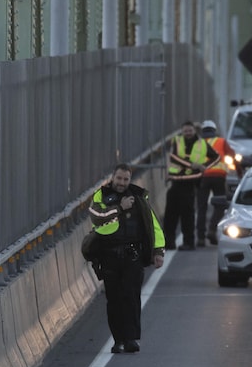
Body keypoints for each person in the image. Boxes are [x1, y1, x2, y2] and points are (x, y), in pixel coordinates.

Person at [89, 163, 165, 354]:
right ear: (112, 178)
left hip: (132, 256)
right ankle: (118, 340)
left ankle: (131, 339)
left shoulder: (139, 196)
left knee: (131, 297)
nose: (122, 183)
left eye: (125, 179)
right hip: (109, 256)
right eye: (119, 179)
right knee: (114, 300)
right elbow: (97, 216)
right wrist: (119, 208)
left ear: (130, 179)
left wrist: (158, 251)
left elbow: (152, 224)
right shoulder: (102, 195)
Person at [162, 120, 219, 250]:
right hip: (176, 182)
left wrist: (204, 167)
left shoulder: (202, 144)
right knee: (170, 215)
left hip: (190, 184)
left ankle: (189, 242)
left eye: (190, 130)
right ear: (182, 132)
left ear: (194, 131)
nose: (188, 133)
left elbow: (216, 157)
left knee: (187, 215)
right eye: (185, 131)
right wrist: (193, 165)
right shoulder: (177, 141)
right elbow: (174, 157)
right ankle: (169, 242)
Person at [196, 120, 233, 246]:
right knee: (220, 205)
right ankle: (212, 229)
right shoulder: (221, 141)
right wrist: (238, 172)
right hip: (219, 177)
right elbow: (232, 155)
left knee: (201, 207)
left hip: (202, 178)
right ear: (214, 130)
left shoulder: (197, 143)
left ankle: (200, 238)